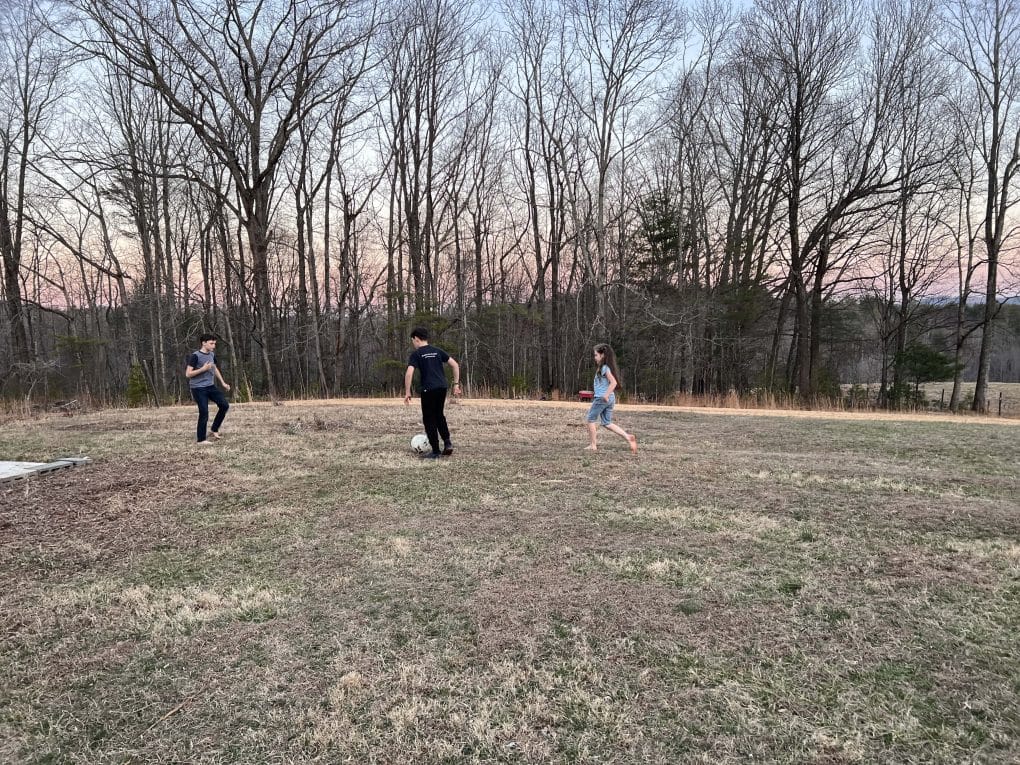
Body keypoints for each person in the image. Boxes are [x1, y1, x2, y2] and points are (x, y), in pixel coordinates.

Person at [404, 327, 461, 459]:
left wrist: (407, 392)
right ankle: (447, 443)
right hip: (442, 387)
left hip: (428, 389)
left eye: (413, 340)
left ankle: (435, 451)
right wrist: (456, 384)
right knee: (439, 415)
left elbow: (409, 373)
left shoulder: (416, 354)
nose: (413, 343)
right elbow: (455, 365)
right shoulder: (437, 351)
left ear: (416, 339)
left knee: (429, 419)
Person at [585, 343, 637, 453]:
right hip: (609, 399)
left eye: (596, 355)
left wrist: (605, 395)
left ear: (602, 355)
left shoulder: (604, 368)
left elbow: (613, 383)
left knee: (590, 420)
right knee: (607, 423)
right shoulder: (603, 368)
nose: (594, 357)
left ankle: (593, 445)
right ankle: (628, 437)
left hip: (602, 399)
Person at [185, 333, 231, 446]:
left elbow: (215, 369)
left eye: (214, 343)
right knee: (204, 411)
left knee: (224, 405)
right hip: (198, 388)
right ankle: (201, 440)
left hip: (210, 386)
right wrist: (203, 369)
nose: (213, 346)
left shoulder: (211, 355)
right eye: (211, 343)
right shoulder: (195, 356)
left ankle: (214, 429)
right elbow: (188, 374)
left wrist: (223, 383)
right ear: (204, 343)